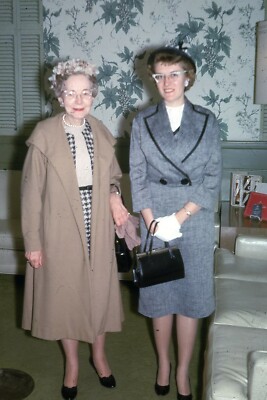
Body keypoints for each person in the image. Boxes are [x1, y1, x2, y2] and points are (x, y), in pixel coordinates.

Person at [21, 59, 129, 400]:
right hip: (58, 227)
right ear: (59, 95)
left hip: (96, 221)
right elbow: (29, 196)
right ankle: (72, 364)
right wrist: (33, 242)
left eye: (85, 92)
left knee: (97, 294)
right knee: (65, 296)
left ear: (94, 95)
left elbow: (113, 177)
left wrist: (114, 195)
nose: (78, 99)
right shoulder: (43, 135)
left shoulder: (100, 131)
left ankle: (99, 356)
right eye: (71, 93)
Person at [129, 46, 222, 400]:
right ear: (153, 79)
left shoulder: (207, 120)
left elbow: (212, 176)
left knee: (191, 296)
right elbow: (137, 176)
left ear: (188, 77)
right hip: (154, 216)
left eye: (174, 74)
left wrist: (179, 217)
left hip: (192, 216)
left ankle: (182, 370)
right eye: (159, 75)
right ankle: (163, 364)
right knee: (160, 293)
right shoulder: (142, 121)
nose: (166, 82)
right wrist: (152, 223)